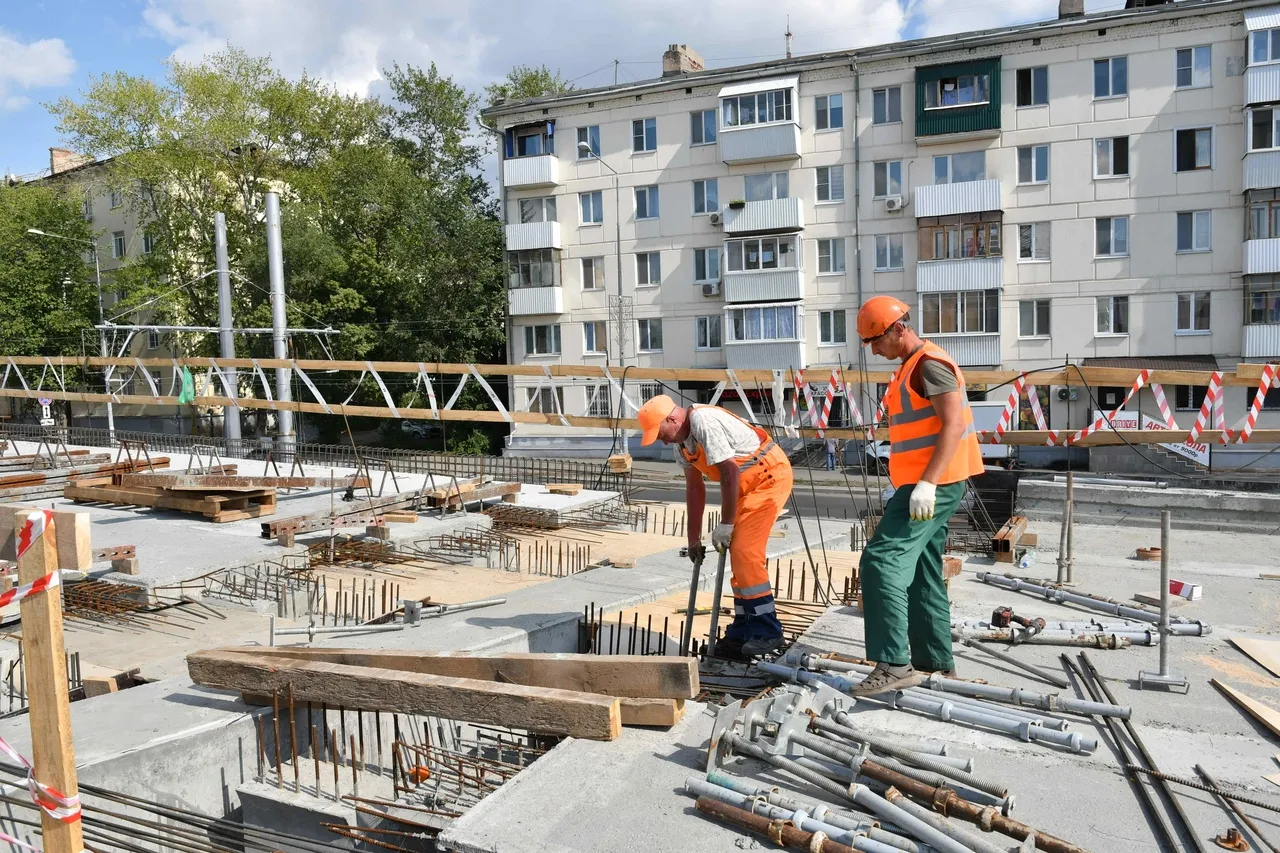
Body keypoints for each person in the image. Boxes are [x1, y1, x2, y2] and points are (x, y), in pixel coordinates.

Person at [852, 296, 985, 695]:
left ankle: (894, 663)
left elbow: (953, 423)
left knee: (881, 560)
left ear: (898, 329)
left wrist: (927, 483)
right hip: (924, 485)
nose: (874, 350)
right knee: (924, 570)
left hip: (933, 485)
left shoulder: (929, 364)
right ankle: (936, 664)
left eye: (876, 340)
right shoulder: (909, 367)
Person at [637, 394, 793, 659]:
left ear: (673, 419)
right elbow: (694, 489)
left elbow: (729, 472)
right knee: (737, 556)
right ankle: (745, 628)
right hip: (746, 488)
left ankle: (767, 630)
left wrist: (726, 524)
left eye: (662, 433)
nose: (663, 441)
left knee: (745, 550)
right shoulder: (682, 445)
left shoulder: (703, 421)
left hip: (768, 479)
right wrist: (693, 539)